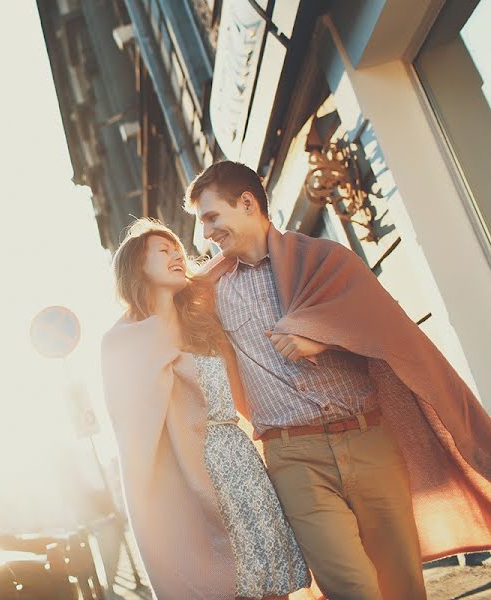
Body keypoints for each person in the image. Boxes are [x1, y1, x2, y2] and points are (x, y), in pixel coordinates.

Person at [185, 160, 491, 600]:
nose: (206, 233)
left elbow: (384, 329)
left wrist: (324, 336)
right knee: (351, 587)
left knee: (402, 581)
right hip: (293, 455)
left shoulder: (326, 260)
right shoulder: (210, 293)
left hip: (370, 441)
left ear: (247, 203)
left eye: (212, 217)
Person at [100, 218, 311, 600]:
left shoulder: (200, 320)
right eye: (162, 252)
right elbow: (134, 432)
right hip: (183, 474)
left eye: (177, 249)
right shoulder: (122, 341)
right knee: (224, 583)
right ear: (137, 267)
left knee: (267, 581)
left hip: (237, 461)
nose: (176, 255)